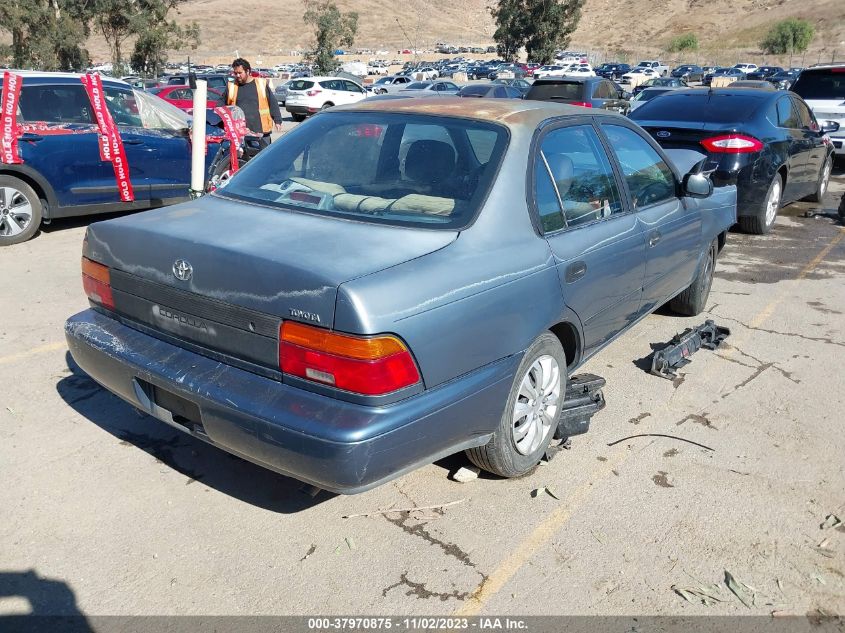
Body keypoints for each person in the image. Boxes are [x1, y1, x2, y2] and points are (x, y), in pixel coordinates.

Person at [217, 57, 283, 149]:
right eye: (235, 73)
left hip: (261, 132)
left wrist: (277, 120)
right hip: (240, 132)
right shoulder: (231, 86)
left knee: (263, 159)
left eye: (240, 73)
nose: (237, 76)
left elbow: (272, 102)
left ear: (248, 71)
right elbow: (221, 103)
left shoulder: (261, 84)